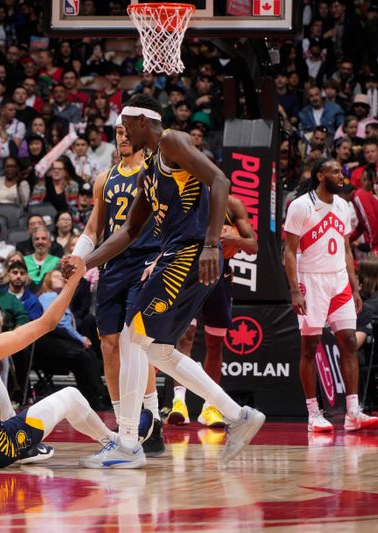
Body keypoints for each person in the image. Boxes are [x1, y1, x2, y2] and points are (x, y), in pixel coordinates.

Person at [68, 94, 265, 467]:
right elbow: (128, 230)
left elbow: (220, 180)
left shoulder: (173, 141)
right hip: (179, 258)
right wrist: (85, 263)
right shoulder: (149, 172)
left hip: (190, 255)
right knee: (155, 349)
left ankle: (128, 443)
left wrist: (210, 244)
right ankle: (238, 416)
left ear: (144, 121)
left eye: (127, 123)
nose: (123, 131)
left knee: (134, 338)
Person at [0, 258, 147, 468]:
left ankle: (112, 442)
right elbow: (47, 323)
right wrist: (75, 280)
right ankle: (116, 445)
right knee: (70, 396)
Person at [72, 114, 164, 456]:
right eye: (118, 133)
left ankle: (151, 420)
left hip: (143, 261)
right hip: (112, 265)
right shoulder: (104, 178)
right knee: (108, 343)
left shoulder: (153, 172)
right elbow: (94, 229)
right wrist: (77, 256)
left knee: (135, 341)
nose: (123, 137)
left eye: (127, 132)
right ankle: (122, 418)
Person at [284, 158, 378, 432]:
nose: (342, 175)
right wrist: (294, 289)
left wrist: (354, 285)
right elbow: (289, 252)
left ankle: (352, 412)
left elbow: (346, 248)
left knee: (349, 341)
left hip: (338, 280)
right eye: (336, 171)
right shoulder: (301, 206)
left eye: (342, 171)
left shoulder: (343, 205)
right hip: (310, 281)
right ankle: (313, 414)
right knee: (310, 347)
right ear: (319, 175)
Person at [172, 195, 259, 427]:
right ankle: (178, 402)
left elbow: (253, 246)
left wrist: (235, 238)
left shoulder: (233, 205)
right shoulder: (186, 199)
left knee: (214, 343)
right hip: (188, 273)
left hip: (220, 274)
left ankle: (210, 407)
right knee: (184, 336)